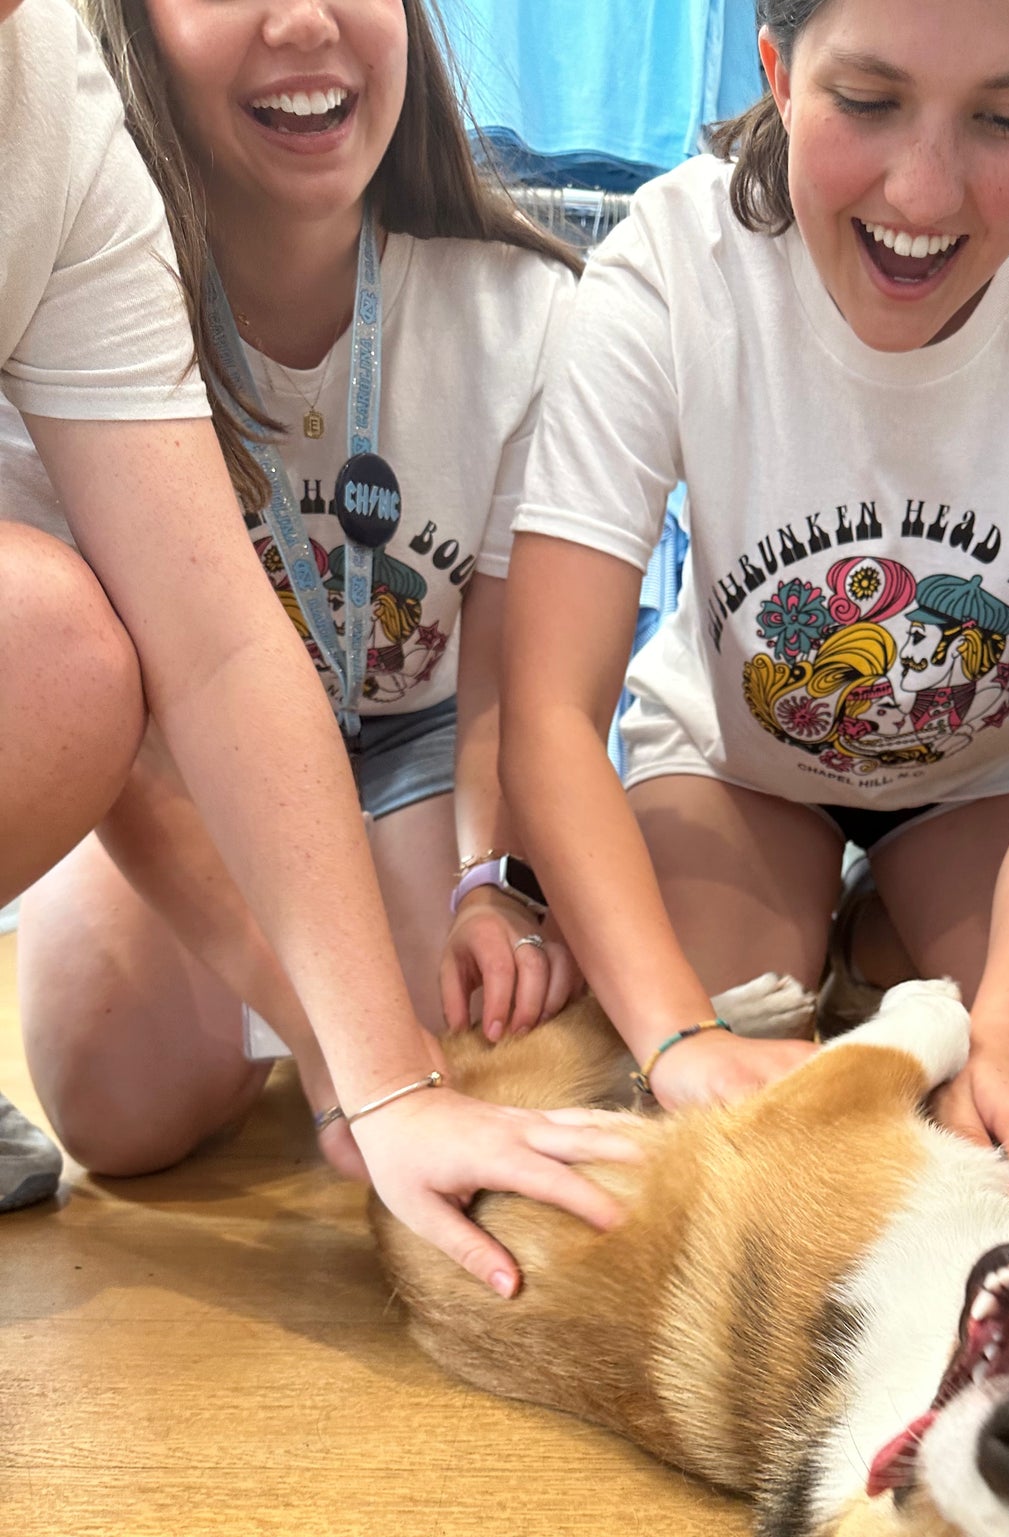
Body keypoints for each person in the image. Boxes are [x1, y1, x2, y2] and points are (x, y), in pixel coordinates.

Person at [500, 0, 1009, 1214]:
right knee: (707, 1157)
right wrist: (677, 1041)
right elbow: (550, 713)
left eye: (1003, 118)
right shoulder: (670, 269)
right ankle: (871, 952)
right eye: (868, 103)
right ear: (777, 71)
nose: (924, 195)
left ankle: (894, 943)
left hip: (991, 787)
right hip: (737, 768)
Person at [1, 0, 635, 1288]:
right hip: (163, 756)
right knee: (118, 1105)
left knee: (469, 1028)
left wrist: (488, 883)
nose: (302, 18)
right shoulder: (108, 274)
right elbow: (158, 690)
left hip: (405, 735)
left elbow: (511, 692)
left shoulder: (525, 314)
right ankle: (287, 1049)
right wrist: (350, 1063)